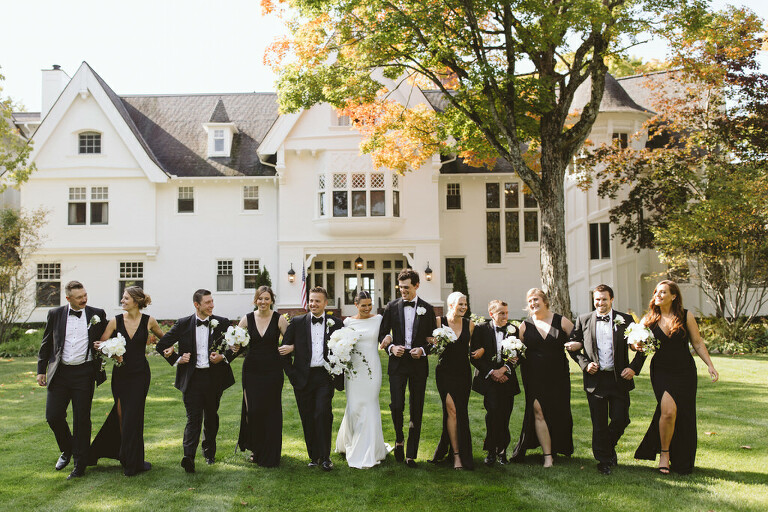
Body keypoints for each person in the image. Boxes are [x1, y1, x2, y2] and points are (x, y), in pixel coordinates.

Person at [634, 280, 719, 475]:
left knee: (684, 415)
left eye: (663, 292)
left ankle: (681, 459)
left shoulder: (685, 316)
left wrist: (710, 365)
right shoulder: (648, 319)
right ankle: (664, 454)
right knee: (668, 411)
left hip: (685, 371)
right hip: (661, 371)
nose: (658, 295)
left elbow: (697, 343)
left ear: (673, 296)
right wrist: (635, 345)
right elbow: (637, 344)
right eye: (657, 292)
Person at [569, 284, 646, 475]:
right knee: (599, 423)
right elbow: (572, 348)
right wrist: (585, 364)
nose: (600, 303)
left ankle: (606, 448)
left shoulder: (625, 320)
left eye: (604, 299)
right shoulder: (583, 320)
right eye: (597, 299)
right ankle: (604, 460)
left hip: (619, 378)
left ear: (612, 299)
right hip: (596, 380)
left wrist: (633, 368)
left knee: (621, 418)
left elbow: (643, 346)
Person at [155, 289, 235, 473]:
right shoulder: (183, 324)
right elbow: (161, 344)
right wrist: (177, 358)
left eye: (212, 301)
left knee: (211, 417)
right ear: (196, 305)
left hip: (213, 378)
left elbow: (238, 345)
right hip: (191, 379)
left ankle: (209, 452)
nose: (211, 305)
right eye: (207, 302)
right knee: (193, 418)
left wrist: (223, 357)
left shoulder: (221, 323)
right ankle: (188, 457)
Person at [88, 286, 164, 476]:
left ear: (136, 301)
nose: (122, 301)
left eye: (126, 298)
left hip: (140, 375)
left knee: (134, 417)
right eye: (122, 298)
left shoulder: (149, 321)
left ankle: (132, 462)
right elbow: (101, 344)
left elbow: (165, 340)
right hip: (121, 374)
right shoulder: (115, 321)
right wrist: (113, 354)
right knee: (122, 415)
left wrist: (173, 351)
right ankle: (126, 455)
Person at [36, 281, 108, 480]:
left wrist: (106, 345)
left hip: (84, 374)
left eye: (85, 295)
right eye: (79, 297)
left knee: (81, 420)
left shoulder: (97, 314)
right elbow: (47, 342)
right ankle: (67, 449)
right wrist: (41, 370)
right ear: (68, 299)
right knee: (53, 416)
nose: (84, 299)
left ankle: (80, 465)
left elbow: (108, 336)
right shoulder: (55, 314)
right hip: (59, 373)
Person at [511, 288, 580, 467]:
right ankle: (547, 455)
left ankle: (556, 448)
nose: (533, 303)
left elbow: (579, 339)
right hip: (533, 376)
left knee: (557, 412)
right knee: (538, 411)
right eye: (530, 301)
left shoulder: (561, 321)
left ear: (545, 301)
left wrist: (577, 343)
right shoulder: (525, 326)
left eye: (536, 299)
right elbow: (516, 352)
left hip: (558, 376)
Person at [378, 269, 437, 468]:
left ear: (416, 286)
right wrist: (392, 348)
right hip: (398, 363)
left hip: (418, 365)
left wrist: (422, 350)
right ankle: (399, 439)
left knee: (416, 406)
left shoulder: (428, 309)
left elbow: (433, 340)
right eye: (400, 287)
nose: (403, 291)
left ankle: (411, 453)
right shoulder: (391, 307)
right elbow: (383, 335)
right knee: (396, 405)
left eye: (407, 287)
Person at [282, 286, 342, 471]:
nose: (313, 304)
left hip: (324, 377)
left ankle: (325, 457)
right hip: (302, 377)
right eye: (311, 300)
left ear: (325, 303)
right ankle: (313, 456)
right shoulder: (297, 322)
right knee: (307, 417)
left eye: (317, 301)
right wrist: (292, 375)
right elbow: (284, 350)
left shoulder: (336, 324)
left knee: (322, 414)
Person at [232, 286, 288, 467]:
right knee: (254, 411)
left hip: (273, 371)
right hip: (252, 371)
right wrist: (233, 347)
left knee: (271, 411)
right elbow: (236, 343)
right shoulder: (246, 319)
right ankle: (256, 449)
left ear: (271, 300)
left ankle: (271, 453)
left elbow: (292, 342)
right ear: (255, 300)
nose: (263, 302)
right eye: (260, 298)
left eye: (266, 298)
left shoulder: (279, 319)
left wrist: (291, 347)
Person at [335, 291, 391, 468]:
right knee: (354, 406)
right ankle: (349, 442)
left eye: (369, 304)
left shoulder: (379, 319)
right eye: (363, 305)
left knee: (369, 404)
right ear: (356, 304)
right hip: (354, 370)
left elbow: (386, 334)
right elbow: (341, 343)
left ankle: (370, 449)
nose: (367, 308)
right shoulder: (348, 322)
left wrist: (389, 337)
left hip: (372, 368)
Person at [429, 291, 479, 470]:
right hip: (445, 372)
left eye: (465, 304)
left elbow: (478, 346)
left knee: (461, 412)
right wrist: (432, 342)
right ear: (451, 305)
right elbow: (428, 341)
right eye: (461, 304)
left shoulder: (470, 325)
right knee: (451, 410)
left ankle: (459, 452)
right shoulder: (438, 322)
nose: (464, 307)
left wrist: (480, 352)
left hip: (463, 373)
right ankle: (457, 455)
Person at [469, 299, 520, 467]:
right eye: (501, 313)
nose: (505, 316)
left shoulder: (514, 330)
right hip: (489, 380)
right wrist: (492, 372)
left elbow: (518, 355)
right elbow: (474, 356)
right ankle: (491, 451)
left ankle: (502, 451)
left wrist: (504, 369)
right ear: (491, 314)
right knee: (492, 414)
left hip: (507, 379)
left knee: (505, 415)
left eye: (506, 312)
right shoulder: (481, 330)